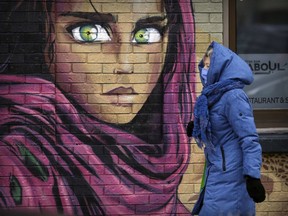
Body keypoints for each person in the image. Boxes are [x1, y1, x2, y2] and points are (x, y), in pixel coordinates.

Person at [0, 0, 196, 215]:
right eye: (89, 33)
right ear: (40, 33)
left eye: (147, 33)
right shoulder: (18, 154)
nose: (126, 65)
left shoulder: (162, 157)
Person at [186, 41, 266, 215]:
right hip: (217, 170)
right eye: (204, 66)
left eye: (209, 66)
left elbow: (249, 139)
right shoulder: (213, 95)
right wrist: (197, 126)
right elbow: (220, 127)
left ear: (219, 68)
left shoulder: (233, 96)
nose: (205, 70)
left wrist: (253, 177)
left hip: (232, 175)